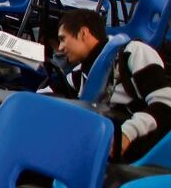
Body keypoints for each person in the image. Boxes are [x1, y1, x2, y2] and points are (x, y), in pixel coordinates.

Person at [48, 9, 171, 162]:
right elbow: (50, 91)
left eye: (63, 39)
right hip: (102, 139)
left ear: (83, 33)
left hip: (140, 145)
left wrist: (128, 133)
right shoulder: (81, 72)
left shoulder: (132, 52)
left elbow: (165, 104)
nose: (60, 47)